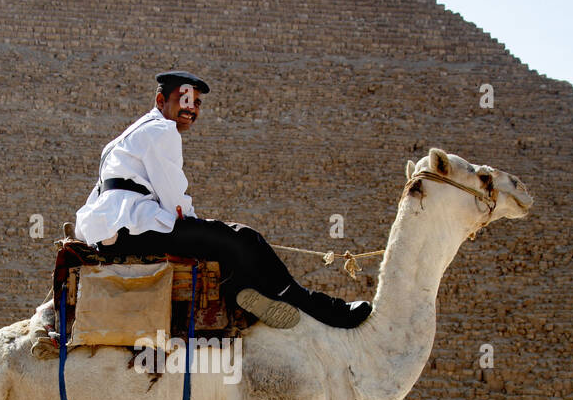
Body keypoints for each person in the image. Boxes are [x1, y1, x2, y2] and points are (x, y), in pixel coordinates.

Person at [68, 72, 370, 331]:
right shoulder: (162, 130)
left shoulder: (121, 140)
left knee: (220, 244)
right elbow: (174, 199)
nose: (191, 109)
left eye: (196, 103)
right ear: (161, 102)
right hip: (135, 226)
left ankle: (242, 295)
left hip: (110, 231)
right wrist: (200, 227)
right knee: (243, 238)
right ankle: (316, 308)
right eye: (184, 100)